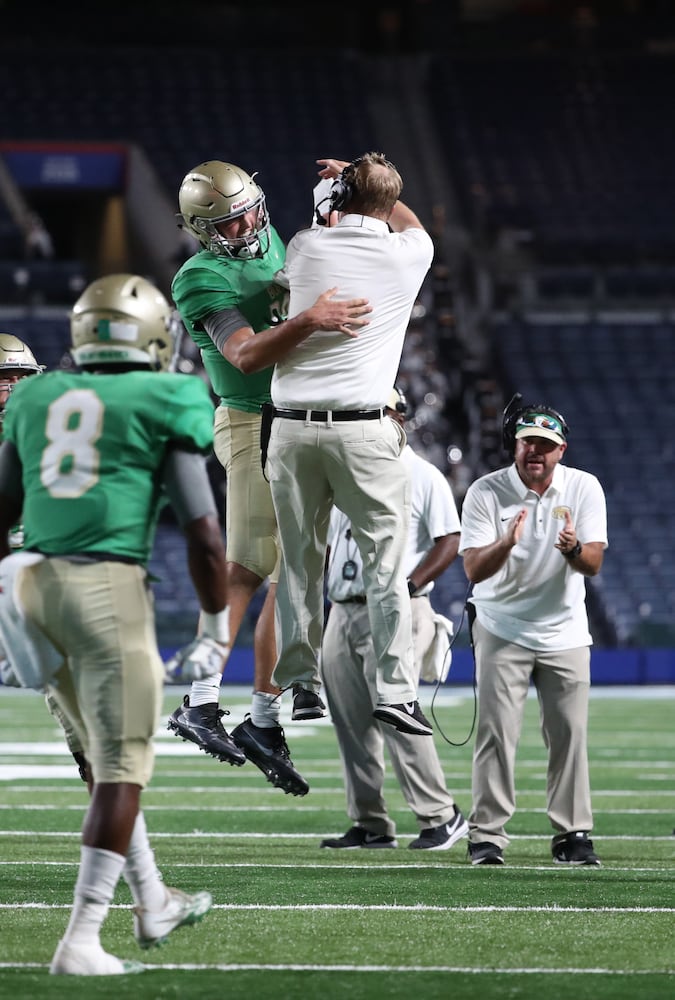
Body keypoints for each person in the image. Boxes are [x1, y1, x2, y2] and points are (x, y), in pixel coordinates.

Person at [0, 273, 228, 975]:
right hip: (104, 585)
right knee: (121, 767)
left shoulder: (37, 397)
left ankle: (153, 897)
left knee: (98, 761)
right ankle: (81, 940)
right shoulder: (169, 393)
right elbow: (204, 535)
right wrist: (217, 626)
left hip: (28, 582)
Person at [168, 159, 370, 797]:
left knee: (293, 576)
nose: (251, 223)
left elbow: (334, 234)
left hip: (290, 420)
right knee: (251, 565)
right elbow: (246, 352)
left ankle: (261, 718)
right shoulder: (200, 275)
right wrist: (311, 320)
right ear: (206, 230)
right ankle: (200, 701)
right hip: (250, 420)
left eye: (252, 207)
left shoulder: (278, 239)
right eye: (233, 220)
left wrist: (357, 186)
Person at [266, 152, 435, 736]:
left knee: (298, 560)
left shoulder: (305, 247)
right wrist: (374, 191)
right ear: (387, 206)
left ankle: (301, 683)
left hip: (290, 427)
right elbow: (408, 223)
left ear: (339, 200)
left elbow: (333, 223)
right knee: (385, 565)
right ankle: (394, 692)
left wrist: (343, 190)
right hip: (364, 428)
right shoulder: (410, 254)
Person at [459, 394, 608, 866]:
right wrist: (505, 542)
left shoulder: (584, 488)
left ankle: (572, 832)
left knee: (569, 734)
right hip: (502, 626)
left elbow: (594, 563)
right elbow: (474, 570)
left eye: (545, 444)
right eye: (528, 443)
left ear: (561, 450)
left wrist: (572, 548)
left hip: (564, 629)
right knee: (496, 734)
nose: (535, 452)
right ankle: (487, 835)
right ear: (514, 446)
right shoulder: (486, 491)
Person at [320, 386, 469, 850]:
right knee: (349, 721)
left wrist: (409, 584)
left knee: (397, 713)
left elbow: (450, 538)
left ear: (398, 418)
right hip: (342, 608)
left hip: (395, 606)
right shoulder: (342, 473)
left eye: (374, 414)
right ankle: (370, 823)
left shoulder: (421, 474)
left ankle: (440, 816)